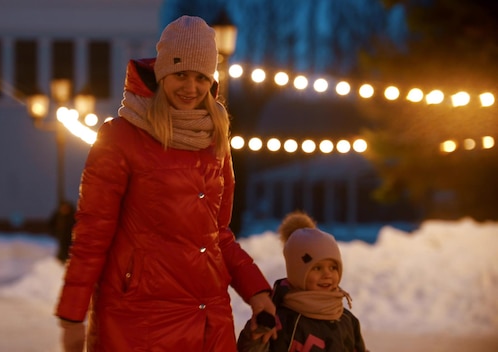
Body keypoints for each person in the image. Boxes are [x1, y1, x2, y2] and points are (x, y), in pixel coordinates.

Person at [55, 15, 276, 352]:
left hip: (208, 318)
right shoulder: (122, 136)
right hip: (139, 319)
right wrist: (73, 316)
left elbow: (218, 234)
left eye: (201, 77)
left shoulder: (214, 137)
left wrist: (257, 292)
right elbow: (93, 233)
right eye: (181, 74)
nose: (191, 88)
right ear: (161, 73)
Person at [237, 211, 368, 352]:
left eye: (333, 267)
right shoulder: (281, 319)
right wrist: (256, 336)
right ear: (298, 272)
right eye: (317, 268)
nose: (327, 274)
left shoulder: (346, 319)